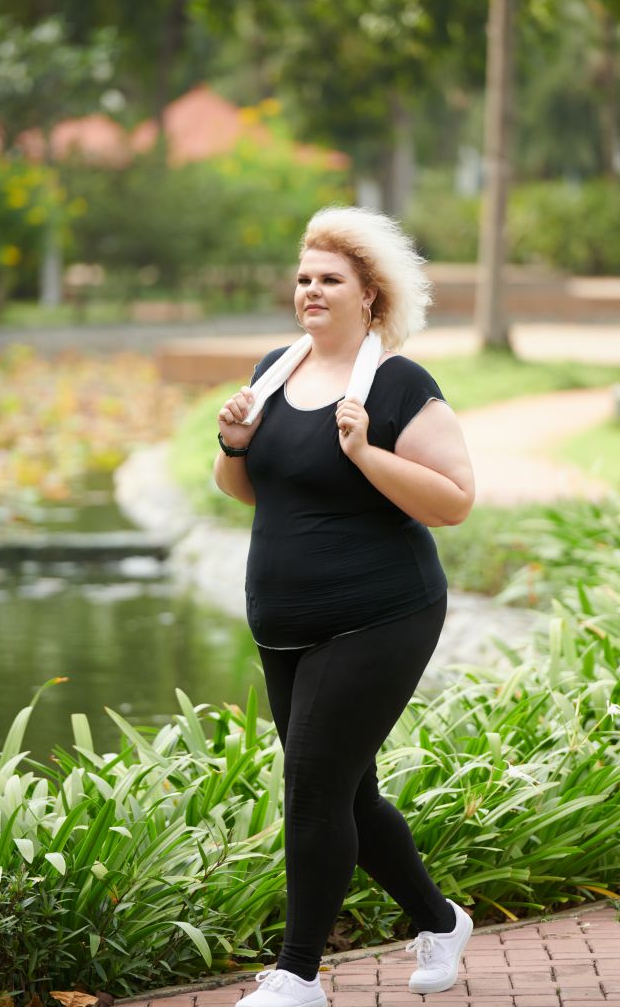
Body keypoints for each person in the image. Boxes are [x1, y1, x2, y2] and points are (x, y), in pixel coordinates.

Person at [214, 206, 475, 1007]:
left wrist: (364, 451)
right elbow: (247, 490)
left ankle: (298, 975)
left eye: (330, 279)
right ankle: (439, 919)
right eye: (303, 277)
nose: (311, 291)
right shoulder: (272, 370)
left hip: (380, 612)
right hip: (285, 618)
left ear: (370, 296)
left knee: (315, 788)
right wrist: (230, 444)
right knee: (346, 789)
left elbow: (455, 501)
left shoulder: (397, 384)